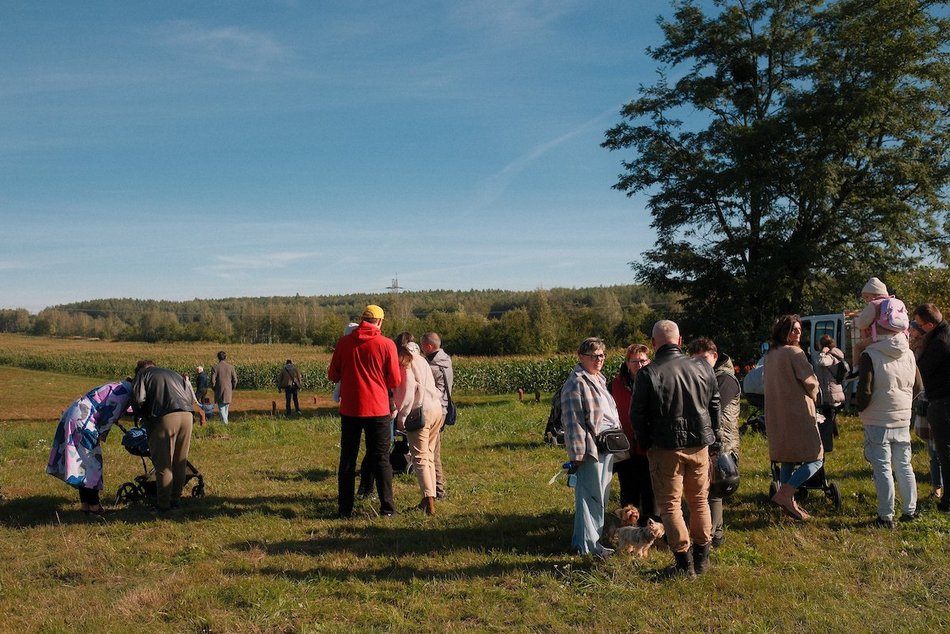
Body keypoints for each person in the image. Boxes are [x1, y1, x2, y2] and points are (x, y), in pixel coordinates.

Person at [631, 321, 720, 577]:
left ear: (654, 343)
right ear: (680, 341)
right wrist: (711, 436)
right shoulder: (702, 366)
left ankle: (684, 564)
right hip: (699, 444)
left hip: (665, 446)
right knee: (699, 501)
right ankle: (702, 559)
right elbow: (715, 403)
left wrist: (646, 442)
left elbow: (637, 414)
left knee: (670, 506)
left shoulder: (648, 374)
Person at [328, 305, 402, 518]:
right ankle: (387, 509)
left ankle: (344, 510)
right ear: (379, 322)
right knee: (381, 459)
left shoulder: (344, 343)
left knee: (348, 460)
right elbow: (395, 380)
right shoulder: (387, 344)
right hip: (378, 409)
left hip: (351, 409)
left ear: (362, 320)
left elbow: (333, 375)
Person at [855, 316, 921, 527]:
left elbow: (864, 390)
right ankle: (910, 511)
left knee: (882, 467)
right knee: (904, 465)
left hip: (878, 418)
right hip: (902, 417)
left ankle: (886, 516)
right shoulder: (909, 353)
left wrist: (860, 408)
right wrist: (902, 404)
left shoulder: (870, 354)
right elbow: (918, 387)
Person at [561, 337, 622, 558]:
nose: (599, 359)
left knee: (600, 496)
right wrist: (577, 454)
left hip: (606, 446)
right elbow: (572, 421)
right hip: (590, 450)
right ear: (581, 357)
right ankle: (589, 547)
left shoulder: (598, 379)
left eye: (602, 355)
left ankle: (583, 542)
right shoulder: (576, 383)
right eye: (594, 355)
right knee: (590, 498)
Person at [46, 379, 134, 515]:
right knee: (92, 464)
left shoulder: (117, 386)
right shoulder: (123, 393)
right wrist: (102, 433)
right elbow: (108, 417)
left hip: (76, 416)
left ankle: (86, 505)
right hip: (84, 422)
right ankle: (94, 507)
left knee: (83, 464)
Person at [764, 314, 822, 521]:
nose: (797, 333)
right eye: (792, 329)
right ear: (783, 332)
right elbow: (810, 382)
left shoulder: (771, 354)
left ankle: (787, 504)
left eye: (798, 329)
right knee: (816, 458)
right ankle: (786, 493)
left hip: (776, 411)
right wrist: (816, 394)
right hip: (798, 411)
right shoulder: (795, 352)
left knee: (787, 457)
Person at [131, 360, 206, 512]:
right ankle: (175, 500)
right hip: (187, 416)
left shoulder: (143, 375)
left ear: (139, 370)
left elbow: (138, 399)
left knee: (163, 462)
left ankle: (163, 505)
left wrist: (141, 416)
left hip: (165, 416)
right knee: (179, 461)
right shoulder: (173, 373)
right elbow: (190, 396)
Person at [687, 337, 740, 548]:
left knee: (715, 491)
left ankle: (711, 536)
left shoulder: (724, 379)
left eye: (703, 358)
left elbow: (709, 408)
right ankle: (714, 534)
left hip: (723, 446)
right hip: (707, 442)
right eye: (694, 360)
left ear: (714, 356)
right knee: (707, 490)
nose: (699, 364)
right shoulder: (704, 377)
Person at [393, 335, 446, 515]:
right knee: (429, 455)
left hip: (420, 411)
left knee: (420, 458)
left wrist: (401, 415)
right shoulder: (422, 359)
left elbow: (408, 391)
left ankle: (428, 501)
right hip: (436, 408)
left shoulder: (406, 362)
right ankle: (431, 496)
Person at [608, 343, 654, 526]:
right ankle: (628, 530)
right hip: (624, 446)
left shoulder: (655, 380)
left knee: (650, 490)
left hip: (648, 445)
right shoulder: (616, 384)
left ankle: (649, 528)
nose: (639, 365)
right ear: (627, 363)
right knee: (628, 490)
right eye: (635, 361)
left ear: (649, 361)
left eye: (643, 360)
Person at [912, 303, 950, 512]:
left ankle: (948, 501)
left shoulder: (939, 343)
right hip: (943, 399)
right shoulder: (943, 334)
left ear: (929, 324)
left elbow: (921, 371)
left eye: (918, 324)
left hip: (942, 401)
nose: (915, 327)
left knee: (945, 453)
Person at [909, 320, 943, 501]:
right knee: (934, 451)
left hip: (936, 400)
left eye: (913, 329)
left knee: (937, 450)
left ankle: (938, 487)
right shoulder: (916, 348)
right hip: (928, 401)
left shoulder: (930, 347)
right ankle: (937, 487)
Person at [421, 331, 453, 500]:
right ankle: (438, 489)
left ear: (429, 346)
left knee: (433, 454)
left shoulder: (432, 367)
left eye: (422, 345)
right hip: (444, 409)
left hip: (435, 411)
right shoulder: (446, 359)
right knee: (434, 452)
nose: (421, 349)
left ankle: (439, 491)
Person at [852, 277, 902, 368]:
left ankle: (855, 370)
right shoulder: (895, 302)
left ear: (875, 294)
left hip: (879, 338)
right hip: (900, 338)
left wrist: (857, 320)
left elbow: (861, 324)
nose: (866, 300)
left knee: (857, 347)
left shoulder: (874, 304)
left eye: (867, 297)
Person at [816, 335, 847, 444]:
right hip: (834, 388)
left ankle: (831, 436)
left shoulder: (829, 356)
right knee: (831, 414)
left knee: (829, 414)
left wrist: (822, 353)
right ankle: (834, 435)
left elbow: (821, 362)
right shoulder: (836, 353)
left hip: (830, 389)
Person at [212, 351, 237, 425]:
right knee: (226, 409)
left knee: (222, 409)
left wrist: (214, 388)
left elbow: (213, 381)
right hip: (228, 390)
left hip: (219, 390)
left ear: (218, 358)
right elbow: (235, 380)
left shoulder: (215, 367)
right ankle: (224, 425)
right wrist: (232, 387)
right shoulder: (231, 367)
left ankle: (225, 425)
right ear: (225, 357)